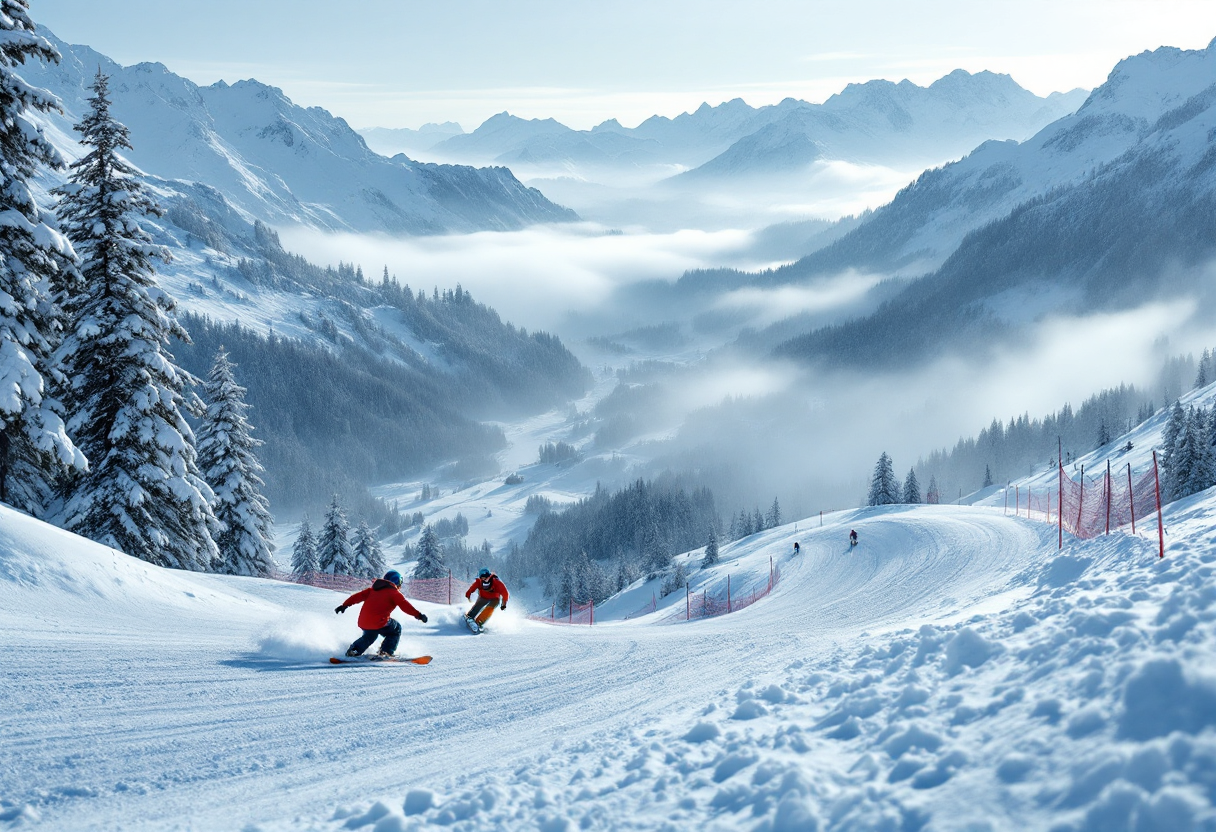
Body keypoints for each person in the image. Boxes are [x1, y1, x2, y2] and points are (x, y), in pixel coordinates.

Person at [335, 569, 428, 657]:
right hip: (380, 622)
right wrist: (418, 615)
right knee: (396, 629)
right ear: (397, 582)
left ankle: (354, 650)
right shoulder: (394, 593)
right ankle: (386, 652)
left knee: (370, 636)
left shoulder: (372, 590)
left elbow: (357, 597)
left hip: (363, 621)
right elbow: (405, 606)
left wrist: (345, 605)